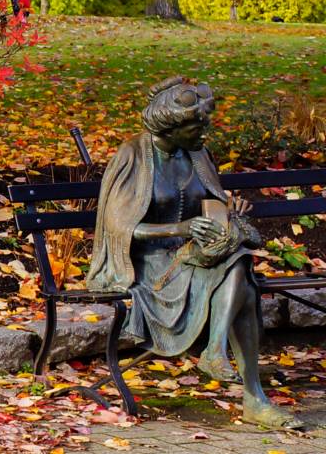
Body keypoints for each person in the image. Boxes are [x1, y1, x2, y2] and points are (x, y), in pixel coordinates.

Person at [87, 77, 296, 429]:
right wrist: (179, 229)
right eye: (196, 127)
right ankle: (250, 393)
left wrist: (230, 209)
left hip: (194, 255)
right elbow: (119, 229)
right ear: (171, 126)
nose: (203, 134)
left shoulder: (197, 155)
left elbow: (210, 202)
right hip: (148, 264)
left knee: (237, 259)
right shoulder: (134, 155)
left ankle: (220, 357)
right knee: (241, 277)